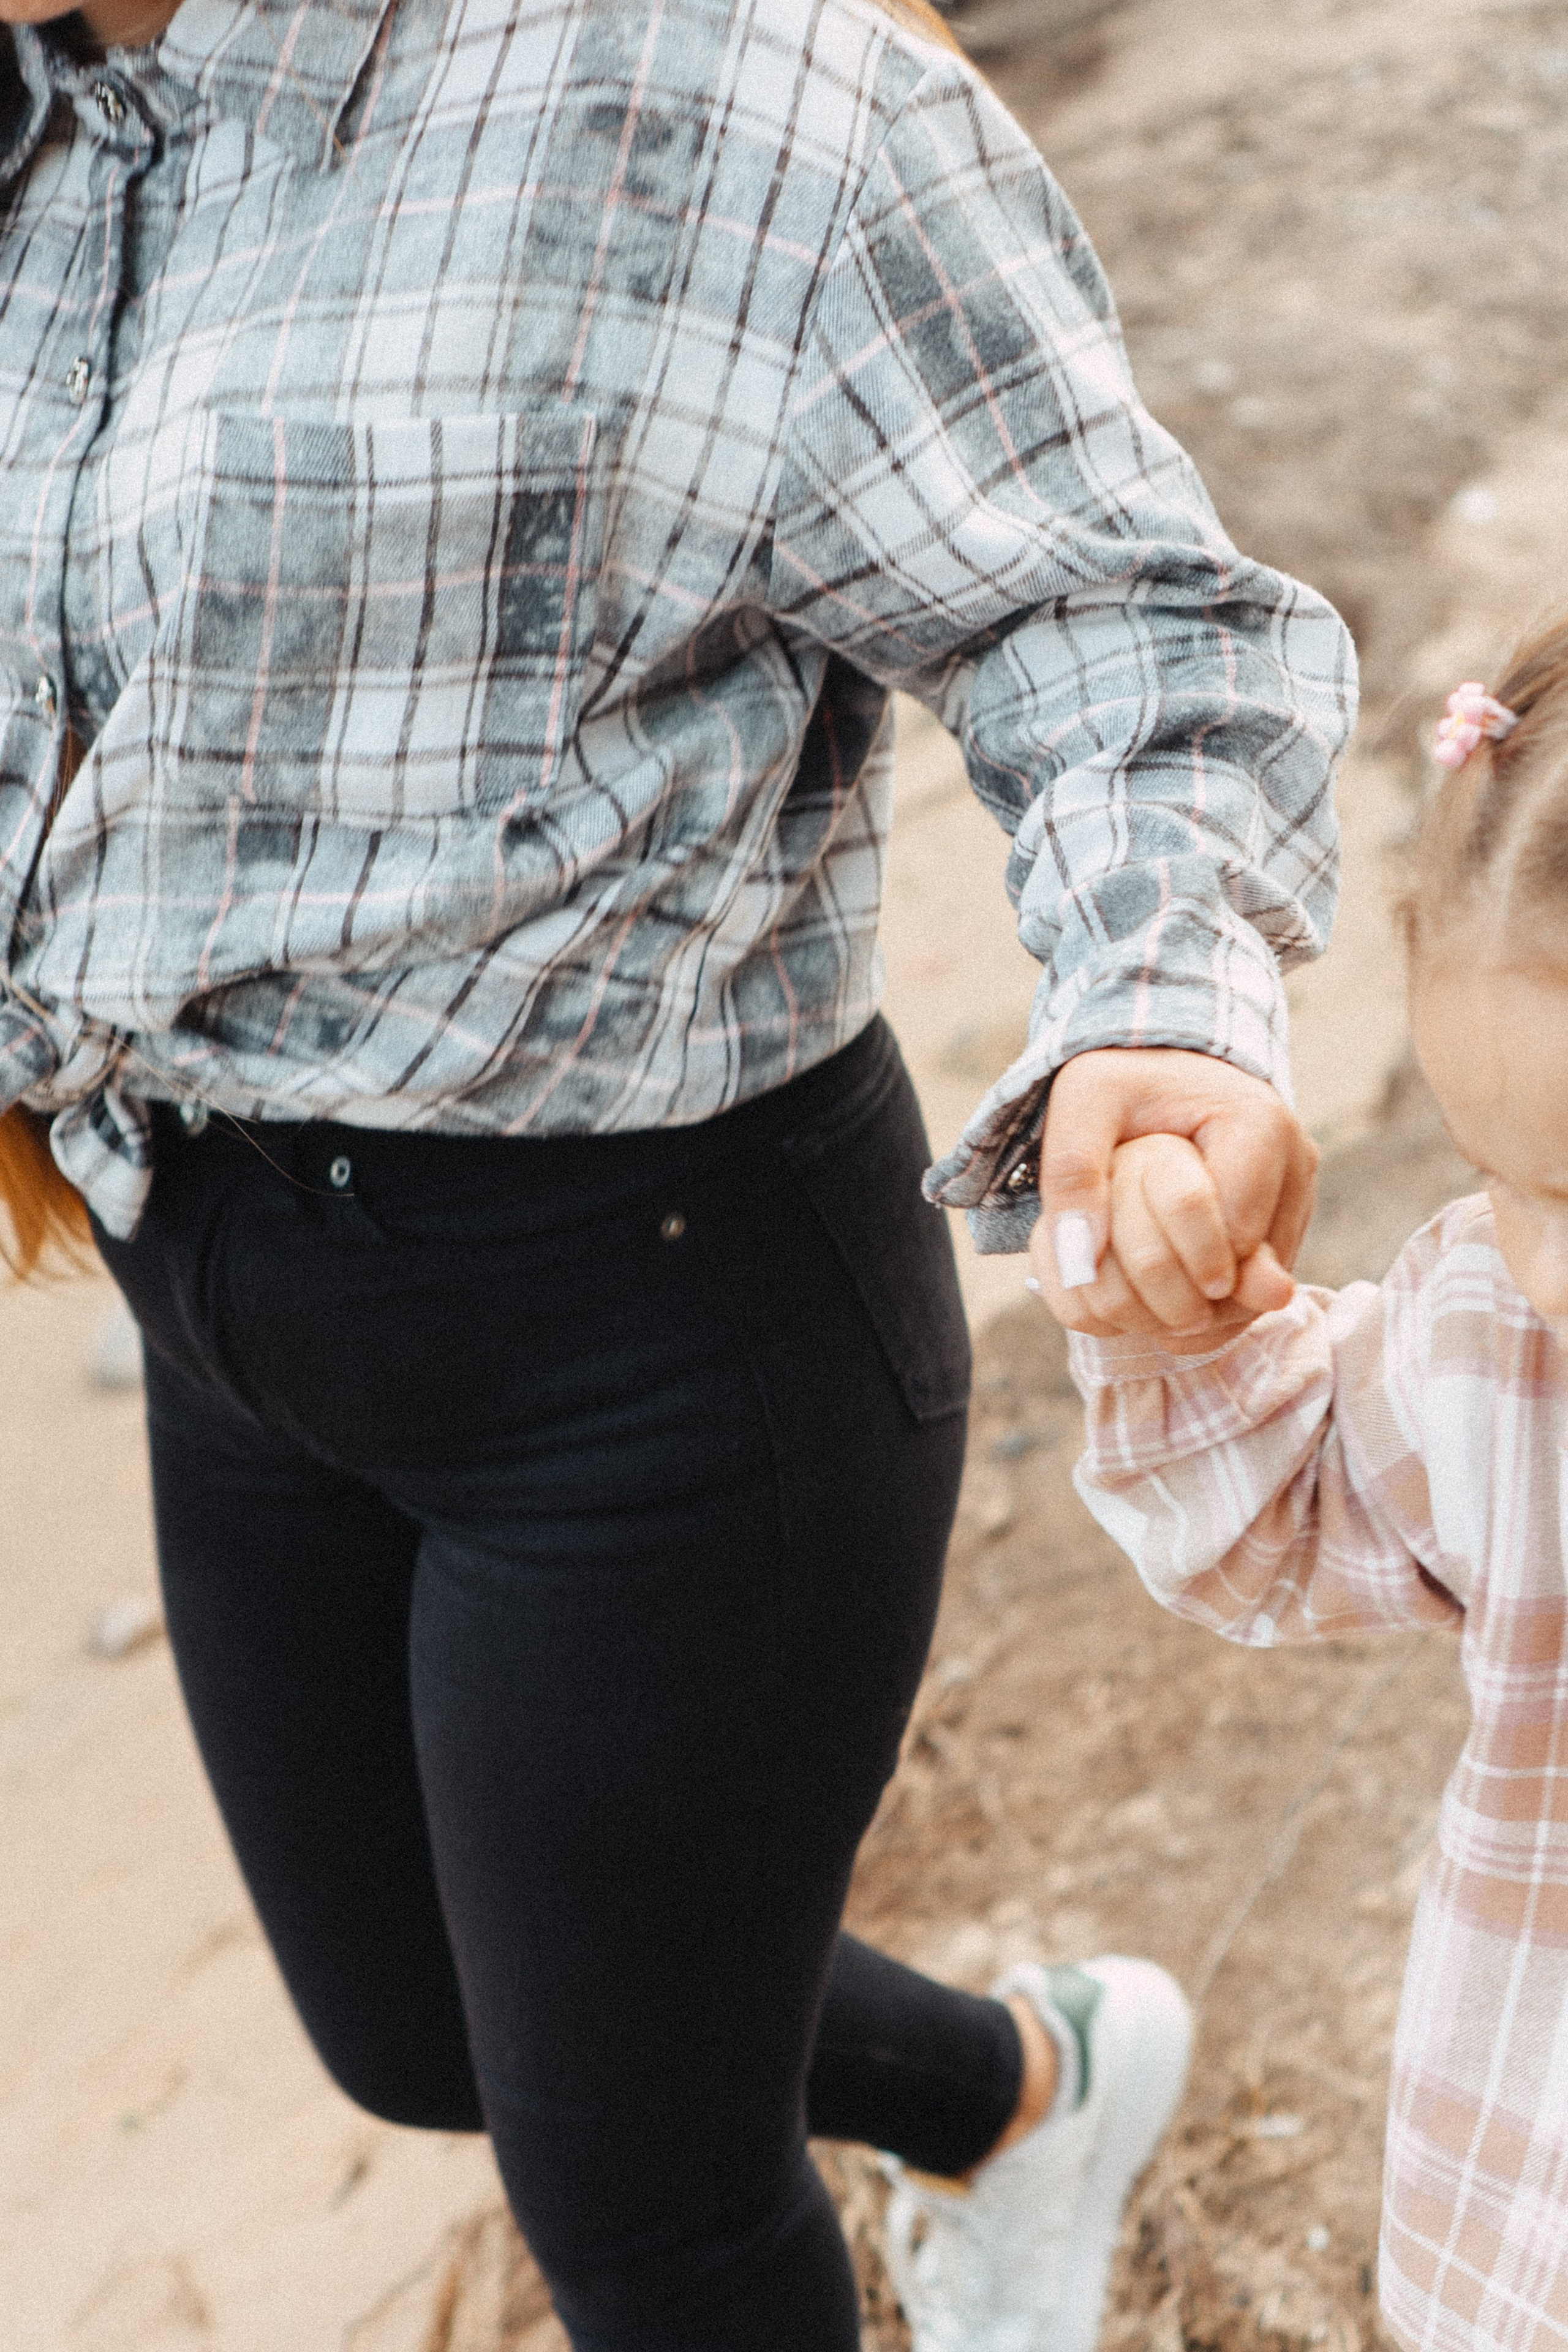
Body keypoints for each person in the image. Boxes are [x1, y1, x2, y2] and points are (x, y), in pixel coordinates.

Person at [0, 0, 1354, 2340]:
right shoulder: (44, 116)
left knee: (645, 2198)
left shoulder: (721, 82)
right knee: (419, 2033)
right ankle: (1038, 2084)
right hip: (208, 1271)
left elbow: (1115, 610)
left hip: (657, 1342)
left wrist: (1156, 1002)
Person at [1066, 625, 1568, 2352]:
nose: (1549, 1269)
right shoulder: (1505, 1349)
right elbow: (1277, 1520)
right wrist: (1183, 1315)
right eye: (1509, 1179)